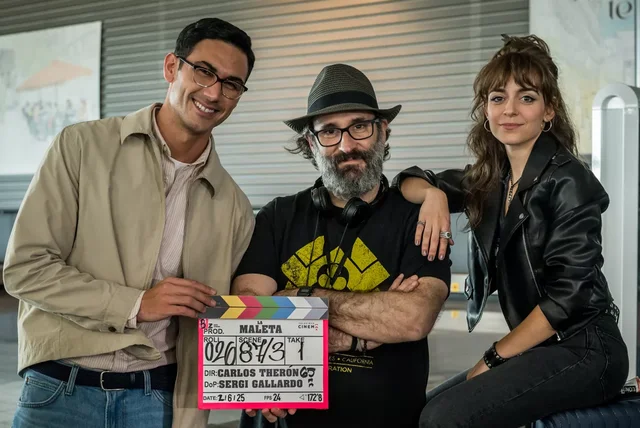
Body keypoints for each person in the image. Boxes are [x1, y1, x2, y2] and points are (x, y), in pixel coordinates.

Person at [3, 18, 256, 428]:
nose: (214, 92)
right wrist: (136, 305)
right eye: (204, 71)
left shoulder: (235, 207)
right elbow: (25, 270)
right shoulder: (81, 146)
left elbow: (233, 317)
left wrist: (270, 386)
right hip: (61, 389)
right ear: (172, 67)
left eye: (231, 84)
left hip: (159, 398)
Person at [395, 34, 629, 427]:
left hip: (586, 349)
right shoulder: (492, 179)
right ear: (485, 111)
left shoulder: (569, 181)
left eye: (527, 97)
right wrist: (434, 195)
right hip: (540, 348)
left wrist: (493, 358)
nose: (510, 110)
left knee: (441, 419)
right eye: (498, 98)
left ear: (549, 110)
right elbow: (409, 180)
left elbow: (567, 298)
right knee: (416, 412)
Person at [231, 63, 451, 428]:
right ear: (310, 143)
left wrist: (298, 299)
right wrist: (364, 333)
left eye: (360, 126)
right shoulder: (277, 216)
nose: (347, 146)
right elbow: (247, 318)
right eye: (330, 131)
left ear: (383, 131)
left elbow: (413, 318)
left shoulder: (418, 219)